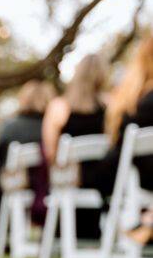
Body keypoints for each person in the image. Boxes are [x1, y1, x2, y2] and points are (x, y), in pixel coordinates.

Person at [40, 54, 107, 238]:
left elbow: (50, 153)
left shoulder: (59, 107)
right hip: (105, 182)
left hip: (69, 180)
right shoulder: (111, 108)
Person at [98, 36, 153, 243]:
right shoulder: (146, 100)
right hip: (137, 173)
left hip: (128, 173)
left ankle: (147, 218)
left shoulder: (128, 96)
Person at [0, 80, 55, 223]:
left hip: (17, 185)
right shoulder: (53, 127)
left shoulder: (10, 126)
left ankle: (4, 236)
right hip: (48, 185)